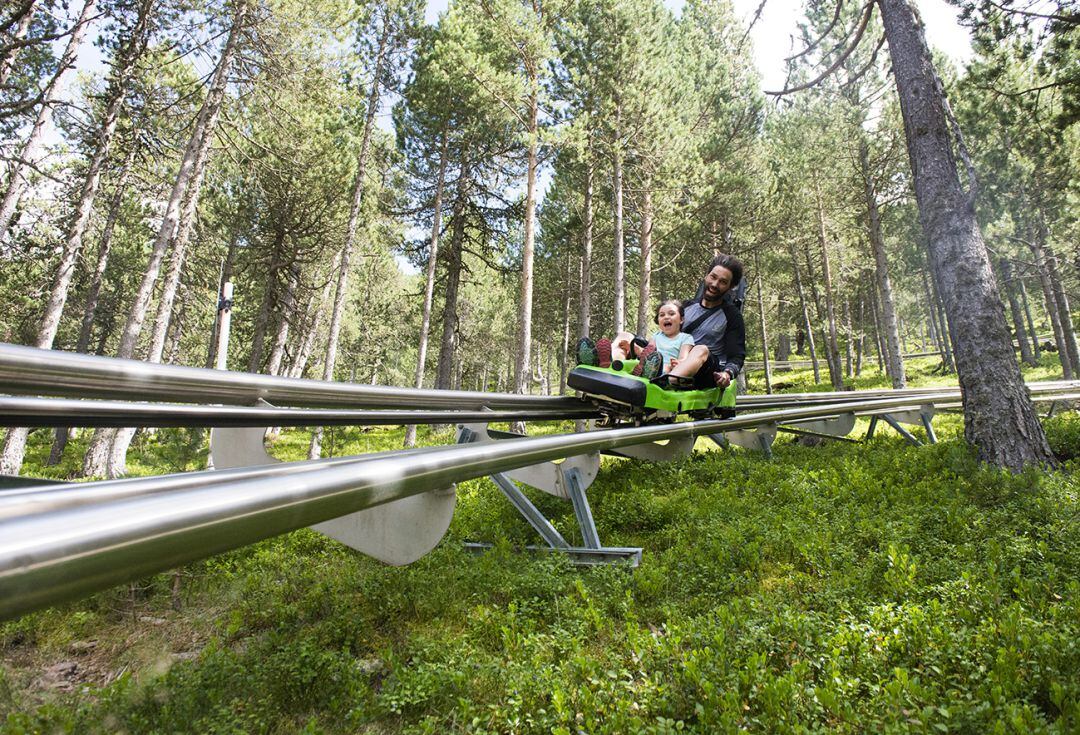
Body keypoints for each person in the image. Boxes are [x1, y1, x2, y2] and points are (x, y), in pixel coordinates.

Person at [577, 253, 746, 390]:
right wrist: (642, 348)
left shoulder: (731, 316)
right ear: (706, 276)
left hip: (702, 370)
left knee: (701, 349)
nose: (714, 284)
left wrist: (727, 374)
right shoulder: (686, 307)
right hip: (667, 358)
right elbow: (666, 335)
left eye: (722, 282)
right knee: (625, 337)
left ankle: (665, 381)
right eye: (713, 277)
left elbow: (736, 356)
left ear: (730, 287)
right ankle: (605, 368)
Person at [630, 299, 695, 381]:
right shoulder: (656, 336)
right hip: (651, 364)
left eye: (671, 314)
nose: (666, 317)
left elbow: (683, 358)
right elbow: (649, 352)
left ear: (681, 320)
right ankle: (611, 364)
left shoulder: (686, 338)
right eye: (662, 315)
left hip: (671, 370)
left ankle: (652, 374)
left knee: (666, 367)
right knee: (646, 358)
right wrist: (638, 350)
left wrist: (678, 362)